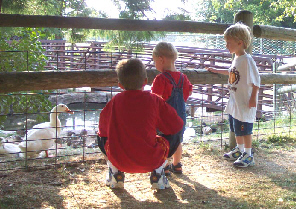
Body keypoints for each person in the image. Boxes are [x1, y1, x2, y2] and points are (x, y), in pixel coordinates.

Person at [97, 58, 184, 190]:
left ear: (120, 85)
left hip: (119, 159)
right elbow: (176, 125)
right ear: (145, 81)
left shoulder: (115, 101)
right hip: (151, 159)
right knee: (177, 133)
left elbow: (102, 130)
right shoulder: (154, 100)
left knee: (99, 136)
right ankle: (158, 172)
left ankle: (115, 172)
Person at [207, 23, 260, 167]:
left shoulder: (247, 60)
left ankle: (248, 155)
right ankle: (240, 150)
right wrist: (216, 70)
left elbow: (256, 81)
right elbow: (232, 72)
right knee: (236, 127)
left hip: (244, 102)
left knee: (245, 129)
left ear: (240, 43)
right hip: (235, 101)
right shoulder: (236, 59)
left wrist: (253, 98)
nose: (226, 46)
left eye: (228, 43)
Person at [151, 42, 193, 175]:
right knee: (177, 140)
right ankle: (177, 164)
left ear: (161, 59)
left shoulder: (160, 79)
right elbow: (187, 94)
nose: (154, 65)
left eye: (154, 61)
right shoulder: (183, 78)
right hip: (180, 117)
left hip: (164, 118)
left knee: (162, 141)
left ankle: (164, 165)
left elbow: (155, 99)